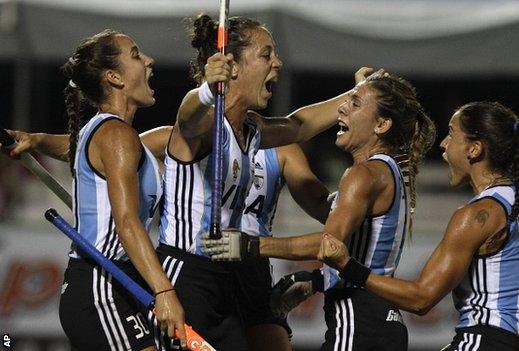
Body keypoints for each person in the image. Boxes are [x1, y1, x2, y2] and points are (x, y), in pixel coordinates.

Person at [153, 13, 370, 351]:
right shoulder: (206, 124)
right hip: (188, 274)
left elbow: (299, 126)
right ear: (233, 67)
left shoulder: (253, 129)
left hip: (234, 271)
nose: (278, 63)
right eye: (267, 55)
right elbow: (187, 118)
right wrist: (207, 90)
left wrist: (357, 92)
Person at [204, 72, 437, 350]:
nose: (341, 108)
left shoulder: (363, 174)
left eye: (355, 103)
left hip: (357, 320)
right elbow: (332, 218)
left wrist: (250, 245)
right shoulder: (387, 171)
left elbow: (328, 244)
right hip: (382, 322)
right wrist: (317, 279)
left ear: (382, 124)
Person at [317, 101, 519, 351]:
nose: (443, 144)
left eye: (452, 134)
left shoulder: (476, 215)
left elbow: (421, 298)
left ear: (474, 149)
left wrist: (348, 266)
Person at [3, 30, 188, 350]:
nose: (149, 60)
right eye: (136, 54)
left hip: (119, 284)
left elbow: (78, 148)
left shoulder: (120, 138)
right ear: (114, 77)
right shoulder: (115, 135)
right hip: (101, 285)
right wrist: (165, 291)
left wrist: (37, 139)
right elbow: (127, 222)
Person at [236, 144, 331, 351]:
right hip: (201, 265)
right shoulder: (195, 134)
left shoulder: (281, 148)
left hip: (252, 269)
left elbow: (334, 222)